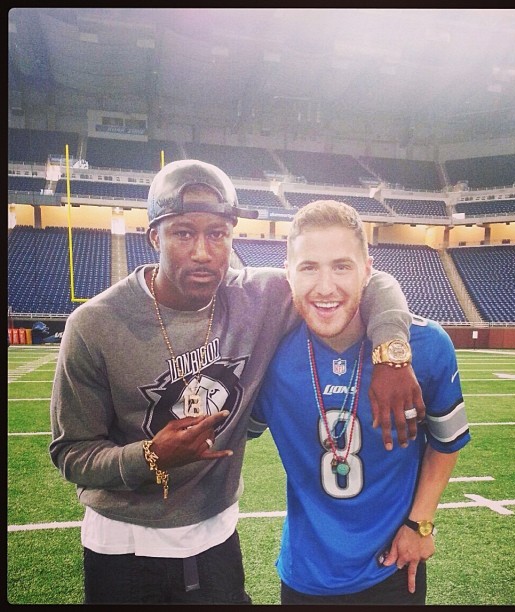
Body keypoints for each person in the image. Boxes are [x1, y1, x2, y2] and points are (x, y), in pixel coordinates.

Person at [49, 160, 424, 604]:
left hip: (215, 536)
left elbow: (369, 277)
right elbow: (70, 452)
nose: (203, 251)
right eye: (184, 233)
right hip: (123, 545)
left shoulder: (259, 297)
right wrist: (150, 456)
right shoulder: (94, 324)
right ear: (155, 236)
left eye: (217, 234)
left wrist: (391, 352)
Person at [248, 199, 471, 605]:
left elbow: (446, 441)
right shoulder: (269, 354)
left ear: (369, 270)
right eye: (309, 267)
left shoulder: (427, 345)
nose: (326, 286)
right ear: (288, 274)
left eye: (342, 266)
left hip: (392, 569)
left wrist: (420, 523)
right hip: (305, 574)